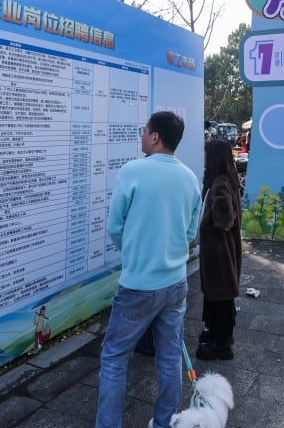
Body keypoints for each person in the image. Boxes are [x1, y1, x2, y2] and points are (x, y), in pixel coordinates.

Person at [95, 111, 201, 428]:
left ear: (155, 137)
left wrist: (135, 252)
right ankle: (163, 421)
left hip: (139, 285)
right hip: (176, 284)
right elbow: (189, 234)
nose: (142, 136)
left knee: (114, 358)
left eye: (144, 131)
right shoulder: (189, 178)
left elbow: (115, 226)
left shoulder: (133, 172)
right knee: (169, 358)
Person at [196, 139, 243, 361]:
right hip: (222, 251)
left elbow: (225, 218)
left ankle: (221, 345)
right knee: (219, 295)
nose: (203, 157)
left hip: (219, 252)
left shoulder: (220, 183)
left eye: (206, 154)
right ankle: (216, 333)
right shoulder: (225, 179)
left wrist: (214, 223)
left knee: (221, 296)